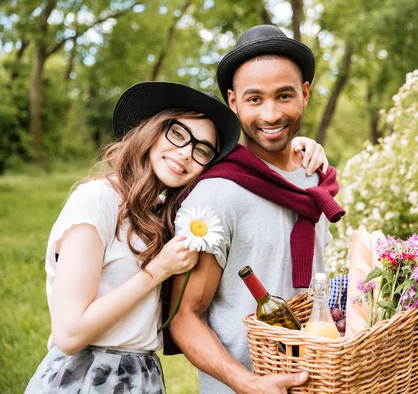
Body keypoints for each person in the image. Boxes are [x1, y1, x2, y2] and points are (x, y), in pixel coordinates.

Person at [25, 81, 328, 394]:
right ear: (152, 130)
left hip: (142, 374)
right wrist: (159, 270)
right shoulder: (96, 200)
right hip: (87, 376)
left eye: (202, 150)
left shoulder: (163, 213)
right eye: (179, 134)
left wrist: (293, 150)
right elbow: (70, 335)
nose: (185, 154)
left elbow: (246, 167)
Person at [167, 25, 345, 394]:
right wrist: (248, 383)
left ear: (305, 93)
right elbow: (185, 317)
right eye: (254, 99)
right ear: (233, 102)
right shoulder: (217, 195)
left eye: (284, 96)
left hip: (318, 381)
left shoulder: (315, 181)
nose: (270, 114)